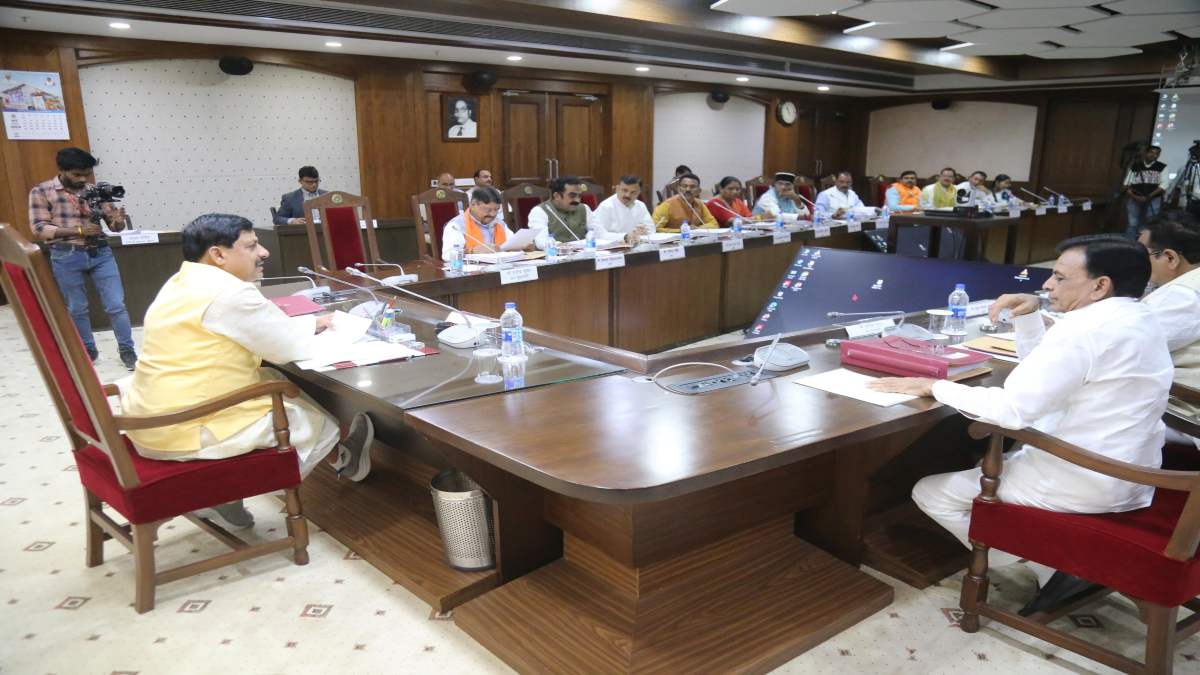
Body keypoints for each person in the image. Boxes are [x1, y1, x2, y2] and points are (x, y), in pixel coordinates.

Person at [869, 234, 1172, 616]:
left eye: (1060, 278)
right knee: (988, 463)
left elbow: (1013, 411)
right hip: (1132, 473)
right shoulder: (1139, 315)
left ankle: (1046, 564)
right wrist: (1030, 317)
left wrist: (936, 387)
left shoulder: (1083, 330)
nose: (1047, 285)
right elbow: (1047, 375)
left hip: (1087, 478)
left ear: (1100, 286)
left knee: (932, 492)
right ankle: (1054, 568)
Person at [121, 213, 375, 529]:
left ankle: (228, 497)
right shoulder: (231, 293)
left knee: (274, 378)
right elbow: (288, 349)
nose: (264, 252)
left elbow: (252, 328)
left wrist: (312, 324)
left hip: (150, 420)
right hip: (186, 427)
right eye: (252, 246)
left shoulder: (183, 281)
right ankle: (227, 491)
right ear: (218, 254)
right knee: (319, 424)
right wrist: (356, 343)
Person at [29, 147, 137, 370]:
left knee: (116, 305)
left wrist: (118, 221)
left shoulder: (95, 191)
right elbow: (39, 228)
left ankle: (127, 349)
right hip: (66, 253)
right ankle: (88, 349)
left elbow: (114, 227)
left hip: (101, 252)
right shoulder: (42, 191)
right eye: (77, 174)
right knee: (77, 307)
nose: (83, 179)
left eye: (87, 174)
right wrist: (79, 231)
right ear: (63, 170)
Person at [1139, 213, 1200, 391]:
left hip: (1181, 402)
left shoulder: (1184, 296)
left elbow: (1130, 345)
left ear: (1170, 258)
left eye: (1143, 255)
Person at [441, 186, 517, 258]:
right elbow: (448, 255)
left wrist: (519, 246)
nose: (493, 214)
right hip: (474, 270)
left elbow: (512, 243)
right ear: (473, 204)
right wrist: (472, 251)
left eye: (496, 210)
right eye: (488, 210)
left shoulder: (499, 223)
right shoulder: (456, 226)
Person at [527, 176, 593, 247]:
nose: (577, 200)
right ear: (557, 196)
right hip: (554, 255)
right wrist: (563, 246)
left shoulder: (584, 208)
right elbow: (541, 242)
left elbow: (600, 234)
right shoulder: (539, 211)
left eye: (579, 196)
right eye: (572, 196)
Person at [591, 175, 654, 243]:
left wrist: (644, 231)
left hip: (636, 245)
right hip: (613, 248)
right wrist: (625, 237)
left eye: (633, 192)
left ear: (639, 193)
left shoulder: (641, 205)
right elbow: (599, 234)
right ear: (617, 189)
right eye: (625, 190)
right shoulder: (606, 206)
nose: (628, 195)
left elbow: (651, 228)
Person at [1124, 145, 1168, 239]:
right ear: (1146, 153)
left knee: (1149, 223)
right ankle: (1128, 245)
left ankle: (1143, 245)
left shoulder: (1162, 167)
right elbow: (1127, 184)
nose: (1154, 155)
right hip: (1134, 198)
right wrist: (1134, 196)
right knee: (1132, 223)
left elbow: (1164, 186)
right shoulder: (1135, 165)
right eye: (1151, 152)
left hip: (1154, 199)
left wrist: (1148, 196)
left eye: (1157, 154)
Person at [652, 173, 718, 232]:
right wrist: (681, 230)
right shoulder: (667, 205)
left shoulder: (700, 203)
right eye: (684, 186)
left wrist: (698, 228)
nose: (688, 189)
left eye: (692, 187)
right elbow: (655, 228)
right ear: (679, 188)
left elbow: (714, 224)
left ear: (699, 191)